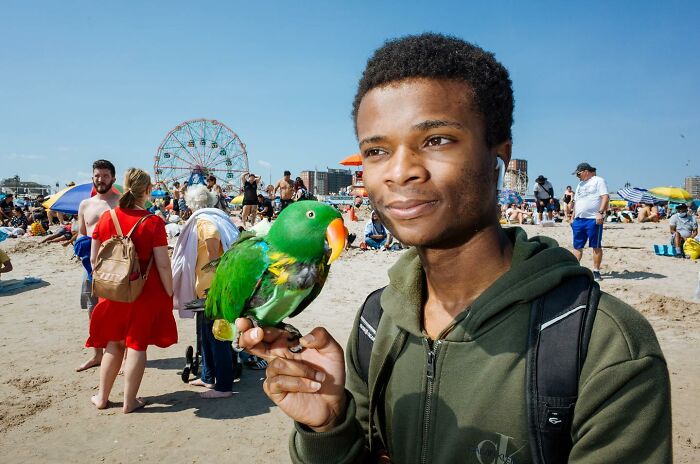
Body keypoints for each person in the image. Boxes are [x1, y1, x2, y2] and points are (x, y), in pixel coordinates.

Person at [235, 33, 671, 463]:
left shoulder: (603, 347)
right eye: (376, 150)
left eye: (437, 140)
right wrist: (329, 427)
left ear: (499, 158)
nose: (400, 172)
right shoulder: (376, 322)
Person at [87, 168, 177, 413]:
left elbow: (95, 260)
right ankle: (130, 401)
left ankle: (102, 398)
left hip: (113, 291)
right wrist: (170, 291)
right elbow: (163, 263)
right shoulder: (153, 221)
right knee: (137, 345)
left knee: (113, 345)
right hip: (145, 292)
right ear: (147, 191)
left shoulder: (106, 218)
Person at [172, 184, 240, 398]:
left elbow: (213, 248)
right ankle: (208, 377)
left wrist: (215, 273)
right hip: (206, 289)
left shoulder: (204, 222)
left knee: (215, 335)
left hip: (212, 289)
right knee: (205, 333)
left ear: (190, 204)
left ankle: (224, 386)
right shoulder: (212, 218)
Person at [75, 160, 121, 372]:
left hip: (116, 265)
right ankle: (97, 355)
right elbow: (82, 232)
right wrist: (80, 248)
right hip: (90, 266)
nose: (100, 179)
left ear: (113, 178)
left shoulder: (120, 203)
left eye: (104, 176)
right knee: (93, 310)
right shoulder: (86, 204)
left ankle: (123, 354)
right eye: (97, 176)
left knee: (118, 310)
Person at [571, 162, 609, 281]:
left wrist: (601, 212)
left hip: (593, 219)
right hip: (579, 219)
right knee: (577, 246)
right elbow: (576, 202)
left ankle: (596, 271)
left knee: (595, 245)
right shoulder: (580, 184)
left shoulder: (598, 180)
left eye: (578, 173)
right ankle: (575, 269)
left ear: (585, 171)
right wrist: (573, 216)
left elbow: (605, 197)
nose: (577, 176)